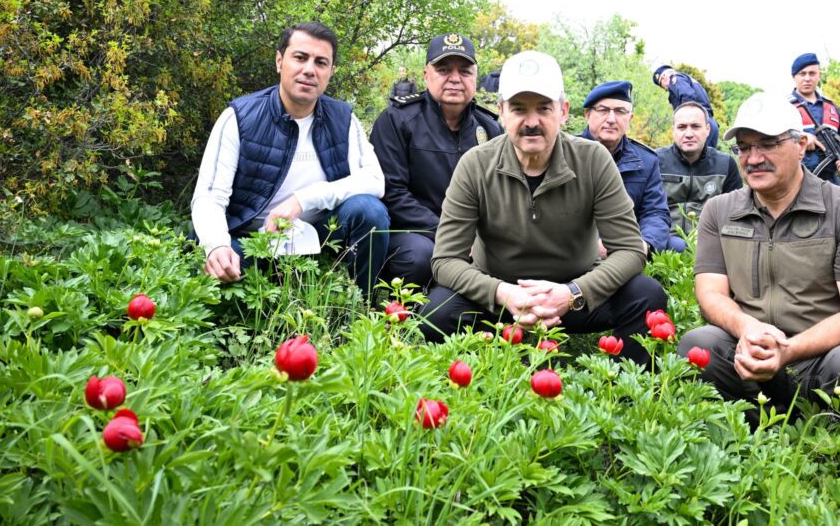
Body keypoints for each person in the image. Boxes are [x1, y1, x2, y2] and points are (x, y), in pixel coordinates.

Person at [420, 51, 669, 366]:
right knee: (438, 311)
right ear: (501, 112)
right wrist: (503, 293)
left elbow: (631, 251)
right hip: (498, 301)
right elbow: (445, 260)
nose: (532, 122)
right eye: (519, 109)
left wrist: (573, 293)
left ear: (563, 111)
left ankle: (622, 390)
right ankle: (476, 379)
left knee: (647, 296)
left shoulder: (593, 160)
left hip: (575, 300)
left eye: (544, 108)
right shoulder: (475, 164)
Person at [676, 92, 840, 432]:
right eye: (744, 147)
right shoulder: (719, 211)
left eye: (767, 144)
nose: (753, 158)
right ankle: (760, 423)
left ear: (800, 145)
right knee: (699, 344)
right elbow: (710, 294)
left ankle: (823, 426)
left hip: (825, 357)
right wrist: (747, 329)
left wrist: (789, 350)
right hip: (747, 354)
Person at [191, 21, 389, 300]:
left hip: (319, 240)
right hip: (251, 243)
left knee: (369, 210)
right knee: (208, 271)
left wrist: (303, 200)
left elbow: (374, 181)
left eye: (321, 62)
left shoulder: (344, 119)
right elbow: (209, 197)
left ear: (330, 73)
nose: (309, 69)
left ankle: (360, 305)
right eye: (300, 57)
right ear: (279, 61)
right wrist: (216, 245)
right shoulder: (240, 117)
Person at [370, 33, 503, 288]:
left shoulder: (490, 129)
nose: (455, 78)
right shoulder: (397, 120)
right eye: (443, 69)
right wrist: (451, 234)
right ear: (426, 75)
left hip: (473, 237)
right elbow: (393, 194)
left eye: (465, 71)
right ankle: (404, 319)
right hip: (413, 232)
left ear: (475, 77)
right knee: (420, 257)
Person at [578, 80, 670, 257]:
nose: (611, 119)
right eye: (603, 110)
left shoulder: (646, 161)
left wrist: (644, 244)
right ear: (588, 115)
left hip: (626, 246)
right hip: (575, 248)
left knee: (676, 245)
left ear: (630, 118)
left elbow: (655, 212)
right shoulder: (567, 153)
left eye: (620, 111)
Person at [656, 101, 742, 252]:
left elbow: (736, 213)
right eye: (682, 127)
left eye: (695, 126)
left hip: (711, 243)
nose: (689, 134)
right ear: (673, 130)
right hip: (663, 243)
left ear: (707, 129)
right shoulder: (655, 161)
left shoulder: (726, 164)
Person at [788, 53, 840, 186]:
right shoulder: (784, 107)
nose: (807, 78)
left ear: (820, 75)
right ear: (794, 77)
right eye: (802, 74)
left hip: (831, 183)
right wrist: (800, 138)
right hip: (795, 183)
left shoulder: (832, 108)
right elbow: (771, 141)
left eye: (812, 73)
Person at [652, 64, 719, 149]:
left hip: (697, 125)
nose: (665, 88)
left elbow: (688, 97)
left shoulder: (674, 79)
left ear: (664, 77)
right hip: (709, 124)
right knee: (710, 160)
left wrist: (683, 123)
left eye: (662, 84)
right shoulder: (688, 80)